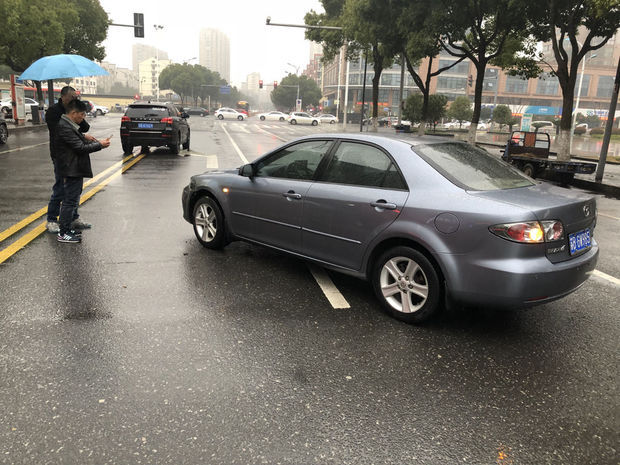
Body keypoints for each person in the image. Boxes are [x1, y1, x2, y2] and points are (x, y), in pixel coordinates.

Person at [53, 99, 110, 243]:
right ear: (73, 113)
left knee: (71, 200)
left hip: (74, 168)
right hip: (71, 168)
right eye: (82, 115)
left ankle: (66, 228)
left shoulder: (69, 125)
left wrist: (86, 138)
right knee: (69, 201)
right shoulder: (65, 127)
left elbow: (77, 142)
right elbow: (79, 148)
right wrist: (100, 145)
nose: (83, 118)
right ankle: (63, 232)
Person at [45, 86, 96, 234]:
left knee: (75, 191)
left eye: (76, 96)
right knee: (61, 188)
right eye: (72, 97)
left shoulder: (75, 110)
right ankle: (52, 219)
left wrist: (78, 114)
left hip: (75, 156)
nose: (74, 99)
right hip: (60, 156)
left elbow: (85, 127)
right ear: (63, 97)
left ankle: (74, 218)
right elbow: (59, 132)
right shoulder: (54, 111)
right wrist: (80, 134)